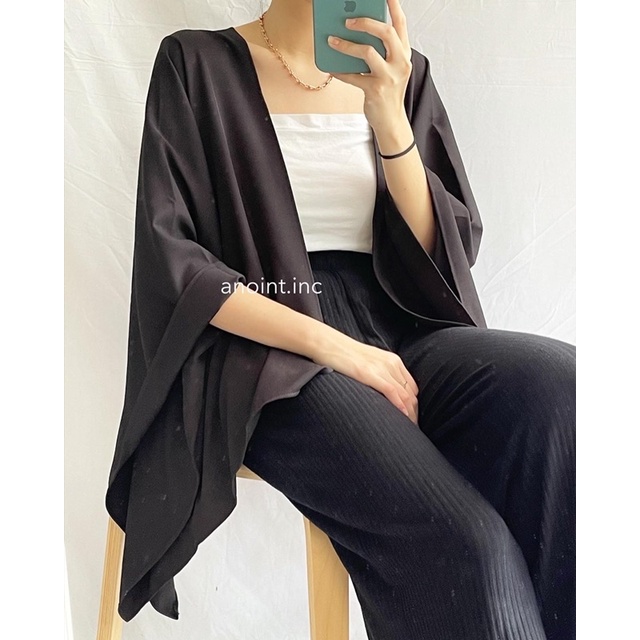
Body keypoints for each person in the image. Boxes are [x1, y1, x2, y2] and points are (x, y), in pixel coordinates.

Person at [105, 1, 575, 638]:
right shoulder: (196, 63)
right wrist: (337, 349)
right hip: (263, 351)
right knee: (468, 546)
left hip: (397, 326)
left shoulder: (400, 72)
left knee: (564, 389)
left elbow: (442, 255)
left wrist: (389, 115)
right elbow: (178, 265)